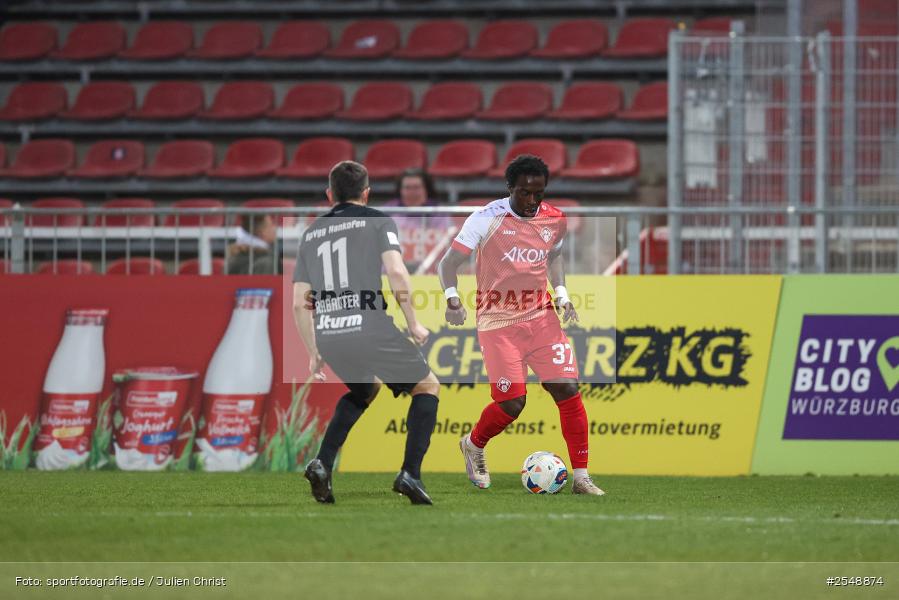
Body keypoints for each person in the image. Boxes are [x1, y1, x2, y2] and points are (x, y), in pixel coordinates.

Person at [437, 154, 605, 496]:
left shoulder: (555, 219)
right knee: (512, 403)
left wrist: (561, 294)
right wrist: (452, 298)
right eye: (525, 193)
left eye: (538, 193)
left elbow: (553, 258)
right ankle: (473, 444)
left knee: (568, 390)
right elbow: (447, 263)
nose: (532, 201)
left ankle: (582, 477)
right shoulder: (486, 218)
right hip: (497, 322)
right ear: (510, 188)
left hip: (541, 317)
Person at [292, 160, 441, 505]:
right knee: (428, 385)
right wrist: (414, 321)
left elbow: (299, 302)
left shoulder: (311, 232)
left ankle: (322, 463)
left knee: (364, 390)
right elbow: (396, 272)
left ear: (330, 194)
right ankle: (410, 474)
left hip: (330, 332)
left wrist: (314, 350)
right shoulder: (377, 219)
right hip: (368, 325)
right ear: (367, 193)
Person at [381, 168, 452, 272]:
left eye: (416, 187)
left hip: (428, 270)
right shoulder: (389, 210)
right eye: (407, 187)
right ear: (400, 190)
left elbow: (442, 246)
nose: (412, 192)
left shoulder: (438, 213)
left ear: (426, 189)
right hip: (391, 270)